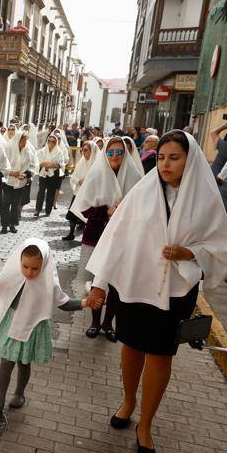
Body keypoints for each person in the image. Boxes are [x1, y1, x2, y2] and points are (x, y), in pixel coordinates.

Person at [87, 130, 227, 453]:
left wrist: (190, 253)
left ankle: (147, 425)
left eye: (175, 158)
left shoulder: (205, 198)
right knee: (131, 346)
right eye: (162, 157)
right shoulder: (143, 192)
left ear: (190, 160)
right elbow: (116, 237)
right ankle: (128, 401)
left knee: (159, 355)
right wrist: (101, 282)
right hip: (136, 283)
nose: (166, 164)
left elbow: (221, 245)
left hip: (175, 290)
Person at [0, 240, 97, 413]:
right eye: (25, 266)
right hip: (11, 323)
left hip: (32, 326)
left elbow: (63, 303)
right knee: (6, 361)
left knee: (24, 362)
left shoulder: (49, 282)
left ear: (44, 265)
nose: (29, 272)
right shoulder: (13, 274)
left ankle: (19, 394)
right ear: (19, 261)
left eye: (35, 268)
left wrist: (85, 302)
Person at [73, 135, 144, 342]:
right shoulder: (97, 173)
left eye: (119, 152)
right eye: (110, 152)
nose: (114, 156)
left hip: (124, 238)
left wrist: (124, 212)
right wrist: (107, 211)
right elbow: (84, 209)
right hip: (98, 235)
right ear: (105, 154)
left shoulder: (135, 177)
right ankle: (95, 322)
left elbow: (143, 208)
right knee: (97, 281)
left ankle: (108, 323)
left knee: (114, 283)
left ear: (125, 154)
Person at [1, 130, 36, 234]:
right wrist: (11, 173)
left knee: (16, 204)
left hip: (20, 183)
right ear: (18, 140)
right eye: (23, 140)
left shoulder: (28, 150)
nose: (25, 143)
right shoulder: (8, 148)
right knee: (5, 204)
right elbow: (2, 165)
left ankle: (12, 224)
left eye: (26, 140)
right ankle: (4, 225)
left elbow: (33, 165)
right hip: (7, 181)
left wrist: (26, 175)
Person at [63, 140, 95, 241]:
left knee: (88, 217)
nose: (83, 153)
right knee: (72, 214)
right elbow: (73, 177)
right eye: (82, 150)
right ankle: (71, 233)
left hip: (90, 194)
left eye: (85, 150)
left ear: (92, 151)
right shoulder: (81, 162)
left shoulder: (97, 163)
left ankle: (86, 236)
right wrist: (78, 180)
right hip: (78, 192)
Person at [34, 131, 67, 217]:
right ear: (47, 141)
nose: (51, 143)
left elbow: (61, 164)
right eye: (49, 141)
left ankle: (48, 210)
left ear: (56, 143)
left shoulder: (59, 152)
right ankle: (38, 209)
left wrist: (52, 164)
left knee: (51, 193)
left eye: (53, 141)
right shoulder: (42, 151)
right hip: (43, 173)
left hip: (54, 175)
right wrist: (44, 164)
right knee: (41, 192)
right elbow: (37, 162)